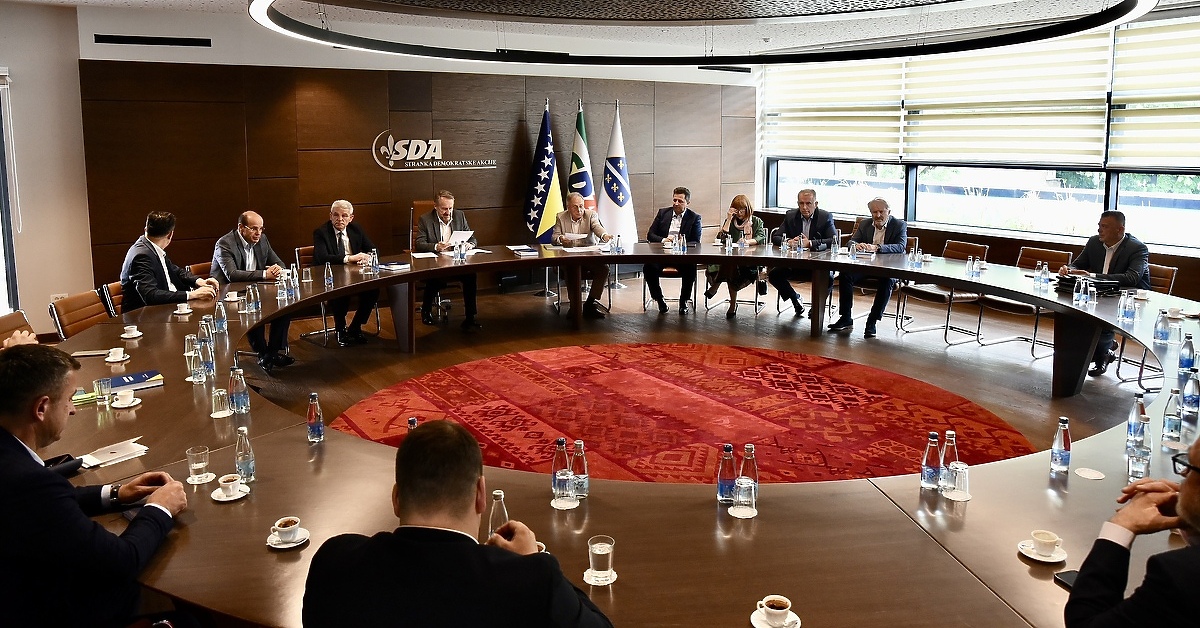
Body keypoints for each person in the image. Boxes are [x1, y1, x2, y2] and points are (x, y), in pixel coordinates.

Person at [302, 420, 613, 628]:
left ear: (396, 498)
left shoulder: (334, 561)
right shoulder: (530, 581)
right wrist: (535, 562)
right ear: (480, 495)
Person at [0, 344, 188, 627]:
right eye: (69, 399)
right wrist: (160, 508)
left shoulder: (12, 461)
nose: (73, 410)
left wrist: (115, 494)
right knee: (182, 606)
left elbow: (45, 505)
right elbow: (122, 561)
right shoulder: (29, 482)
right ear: (41, 408)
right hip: (48, 610)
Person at [1063, 435, 1200, 627]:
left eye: (1190, 467)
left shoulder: (1177, 575)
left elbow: (1084, 623)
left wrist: (1122, 525)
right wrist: (1191, 513)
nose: (1182, 477)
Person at [1058, 210, 1151, 377]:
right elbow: (1078, 264)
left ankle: (1101, 355)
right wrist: (1068, 269)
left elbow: (1132, 278)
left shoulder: (1137, 248)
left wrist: (1093, 276)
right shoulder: (1094, 242)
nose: (1099, 230)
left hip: (1130, 299)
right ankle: (1101, 349)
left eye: (1105, 226)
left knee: (1101, 315)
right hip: (1101, 294)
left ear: (1120, 230)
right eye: (1099, 225)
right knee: (1074, 312)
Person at [212, 211, 294, 372]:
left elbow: (279, 263)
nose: (258, 233)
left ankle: (271, 353)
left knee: (285, 306)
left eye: (261, 229)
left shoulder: (262, 240)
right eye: (254, 228)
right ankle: (263, 353)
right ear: (241, 228)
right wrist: (265, 274)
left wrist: (277, 269)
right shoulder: (225, 243)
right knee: (254, 308)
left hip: (256, 290)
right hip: (229, 295)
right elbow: (232, 275)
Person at [827, 198, 908, 338]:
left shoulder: (899, 225)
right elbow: (851, 241)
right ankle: (845, 318)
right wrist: (856, 245)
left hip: (888, 268)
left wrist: (877, 247)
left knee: (887, 280)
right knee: (845, 275)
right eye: (874, 212)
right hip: (867, 265)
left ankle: (872, 321)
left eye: (881, 212)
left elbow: (901, 247)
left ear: (889, 211)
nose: (878, 215)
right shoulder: (865, 224)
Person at [313, 199, 381, 346]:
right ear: (330, 216)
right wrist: (350, 258)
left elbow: (373, 249)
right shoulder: (321, 232)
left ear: (351, 218)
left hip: (355, 275)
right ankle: (340, 330)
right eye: (336, 215)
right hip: (330, 277)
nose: (340, 219)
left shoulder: (356, 229)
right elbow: (322, 257)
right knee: (341, 291)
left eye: (344, 215)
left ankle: (355, 327)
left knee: (373, 290)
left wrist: (367, 257)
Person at [120, 210, 219, 311]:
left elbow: (174, 270)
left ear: (146, 229)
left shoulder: (151, 247)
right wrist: (192, 294)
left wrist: (199, 281)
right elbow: (150, 295)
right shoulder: (142, 256)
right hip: (146, 315)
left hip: (165, 308)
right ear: (170, 235)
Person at [414, 190, 482, 331]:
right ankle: (426, 311)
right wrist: (436, 246)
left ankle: (470, 317)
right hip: (436, 262)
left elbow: (472, 237)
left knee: (471, 276)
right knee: (435, 278)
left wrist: (470, 244)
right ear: (436, 206)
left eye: (450, 208)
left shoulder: (459, 216)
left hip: (456, 261)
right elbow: (419, 243)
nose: (448, 212)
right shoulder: (425, 219)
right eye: (444, 209)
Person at [768, 188, 837, 316]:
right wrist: (789, 241)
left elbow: (833, 240)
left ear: (816, 204)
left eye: (808, 203)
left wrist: (809, 243)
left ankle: (817, 308)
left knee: (828, 278)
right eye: (801, 203)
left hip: (818, 264)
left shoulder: (825, 217)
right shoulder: (790, 216)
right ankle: (795, 298)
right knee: (774, 275)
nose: (804, 207)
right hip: (796, 263)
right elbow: (776, 237)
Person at [552, 192, 613, 320]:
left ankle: (590, 303)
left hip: (588, 255)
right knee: (571, 269)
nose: (579, 210)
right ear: (568, 207)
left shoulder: (590, 215)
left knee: (604, 269)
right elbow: (554, 237)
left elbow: (597, 227)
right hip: (569, 256)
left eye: (581, 206)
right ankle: (574, 306)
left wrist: (604, 236)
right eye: (575, 207)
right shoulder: (561, 217)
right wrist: (561, 238)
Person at [703, 194, 766, 319]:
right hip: (730, 261)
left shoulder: (756, 221)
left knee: (729, 264)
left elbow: (761, 238)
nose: (740, 213)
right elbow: (721, 239)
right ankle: (732, 304)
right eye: (737, 210)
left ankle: (715, 287)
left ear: (747, 209)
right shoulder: (731, 222)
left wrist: (747, 242)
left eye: (742, 209)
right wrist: (728, 219)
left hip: (749, 262)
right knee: (730, 264)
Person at [644, 186, 702, 315]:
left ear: (687, 202)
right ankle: (659, 300)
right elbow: (650, 235)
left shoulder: (694, 218)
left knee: (690, 268)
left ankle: (684, 301)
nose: (676, 203)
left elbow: (696, 241)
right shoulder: (662, 213)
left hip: (682, 255)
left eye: (680, 201)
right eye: (674, 200)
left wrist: (682, 242)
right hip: (662, 253)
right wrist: (664, 240)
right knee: (648, 267)